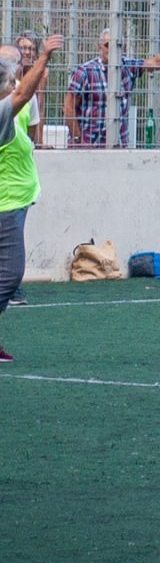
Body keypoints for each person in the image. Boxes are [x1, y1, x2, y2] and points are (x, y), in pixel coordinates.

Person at [0, 33, 63, 362]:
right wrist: (44, 58)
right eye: (11, 70)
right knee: (10, 275)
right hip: (4, 204)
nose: (15, 74)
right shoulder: (0, 111)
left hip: (14, 200)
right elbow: (24, 93)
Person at [64, 28, 160, 147]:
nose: (111, 49)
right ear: (100, 47)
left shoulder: (127, 66)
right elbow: (68, 107)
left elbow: (155, 62)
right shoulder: (86, 72)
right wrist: (78, 140)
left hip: (119, 147)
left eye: (116, 45)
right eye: (107, 45)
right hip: (89, 147)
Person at [15, 31, 45, 145]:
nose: (27, 52)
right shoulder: (10, 72)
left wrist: (40, 142)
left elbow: (40, 107)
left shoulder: (41, 74)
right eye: (23, 48)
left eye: (32, 49)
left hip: (30, 120)